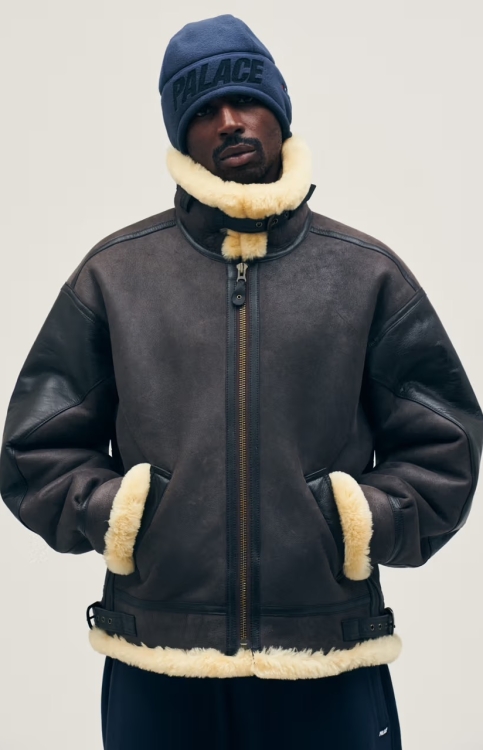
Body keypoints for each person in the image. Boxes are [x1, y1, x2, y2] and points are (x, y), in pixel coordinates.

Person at [1, 13, 482, 750]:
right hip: (158, 660)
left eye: (246, 100)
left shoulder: (364, 275)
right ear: (181, 136)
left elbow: (445, 444)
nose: (228, 121)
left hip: (328, 656)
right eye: (202, 110)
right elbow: (36, 446)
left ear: (279, 112)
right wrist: (119, 516)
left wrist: (360, 522)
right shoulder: (116, 276)